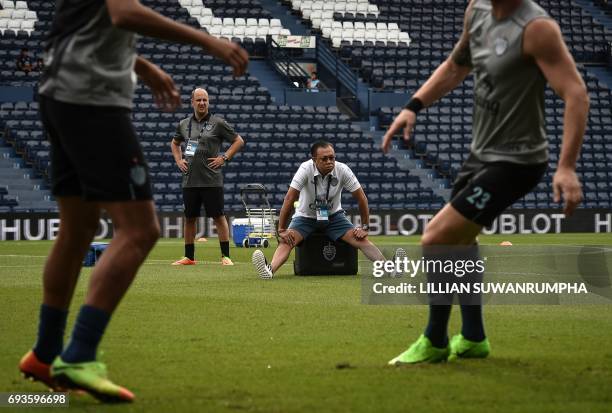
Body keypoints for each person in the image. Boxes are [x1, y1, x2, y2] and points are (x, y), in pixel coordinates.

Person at [18, 0, 248, 403]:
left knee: (77, 231)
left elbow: (87, 27)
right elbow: (122, 12)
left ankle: (45, 351)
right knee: (140, 230)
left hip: (59, 94)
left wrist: (140, 65)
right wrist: (207, 40)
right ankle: (80, 354)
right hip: (93, 102)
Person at [381, 0, 588, 365]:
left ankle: (435, 340)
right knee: (461, 242)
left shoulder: (537, 28)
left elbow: (576, 93)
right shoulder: (477, 11)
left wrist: (567, 166)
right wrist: (413, 105)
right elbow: (456, 67)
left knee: (436, 237)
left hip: (517, 160)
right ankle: (474, 337)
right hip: (481, 154)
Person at [252, 140, 402, 278]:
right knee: (287, 241)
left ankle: (390, 270)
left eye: (332, 157)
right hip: (305, 217)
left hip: (334, 216)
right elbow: (290, 198)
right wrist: (282, 229)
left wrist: (365, 227)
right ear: (314, 160)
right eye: (324, 159)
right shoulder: (305, 169)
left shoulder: (343, 169)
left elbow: (361, 198)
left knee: (360, 239)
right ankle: (269, 270)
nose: (329, 161)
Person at [170, 87, 244, 266]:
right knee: (189, 219)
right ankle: (189, 257)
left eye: (205, 100)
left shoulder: (218, 123)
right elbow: (175, 143)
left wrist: (224, 157)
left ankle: (225, 256)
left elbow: (239, 140)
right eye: (199, 100)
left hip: (211, 179)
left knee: (218, 217)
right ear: (192, 102)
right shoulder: (184, 124)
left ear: (208, 102)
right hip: (189, 180)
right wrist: (179, 160)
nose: (202, 103)